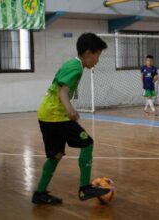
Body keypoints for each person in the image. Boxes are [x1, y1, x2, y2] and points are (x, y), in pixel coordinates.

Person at [31, 33, 110, 205]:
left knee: (55, 155)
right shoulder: (76, 67)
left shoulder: (72, 63)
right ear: (88, 53)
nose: (97, 60)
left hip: (46, 114)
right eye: (98, 56)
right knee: (87, 143)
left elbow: (59, 88)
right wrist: (70, 110)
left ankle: (40, 193)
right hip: (56, 115)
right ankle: (85, 188)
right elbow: (62, 91)